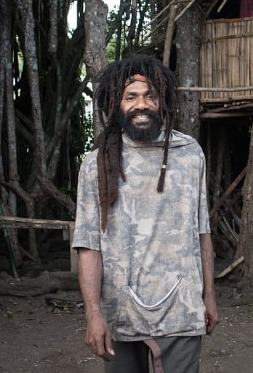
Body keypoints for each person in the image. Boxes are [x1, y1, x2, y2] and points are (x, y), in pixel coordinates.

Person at [72, 54, 219, 373]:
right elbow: (89, 246)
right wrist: (93, 314)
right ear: (117, 104)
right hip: (121, 316)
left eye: (150, 95)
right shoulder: (98, 164)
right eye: (131, 96)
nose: (142, 103)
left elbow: (201, 232)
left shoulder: (189, 154)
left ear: (162, 101)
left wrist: (209, 295)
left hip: (181, 314)